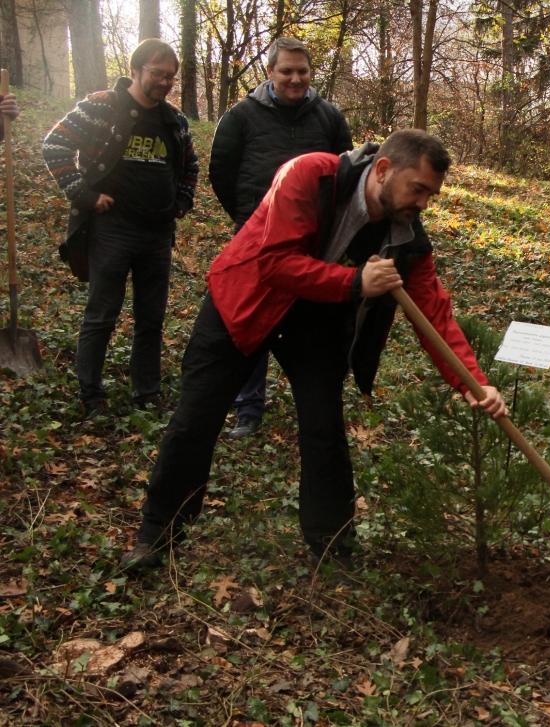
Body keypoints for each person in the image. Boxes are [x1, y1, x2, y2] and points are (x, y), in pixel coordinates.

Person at [119, 130, 508, 574]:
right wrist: (353, 283)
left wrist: (473, 383)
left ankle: (333, 548)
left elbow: (435, 313)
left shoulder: (405, 238)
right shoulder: (309, 174)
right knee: (196, 419)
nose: (423, 203)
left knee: (323, 427)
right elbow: (274, 262)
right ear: (383, 170)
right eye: (418, 189)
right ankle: (155, 538)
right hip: (246, 301)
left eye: (430, 195)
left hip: (316, 319)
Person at [43, 39, 199, 419]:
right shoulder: (102, 106)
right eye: (156, 73)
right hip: (112, 230)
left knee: (152, 317)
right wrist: (84, 195)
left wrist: (181, 202)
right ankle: (91, 395)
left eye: (170, 77)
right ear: (136, 69)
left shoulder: (174, 120)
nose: (163, 82)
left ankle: (146, 392)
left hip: (157, 233)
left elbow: (190, 165)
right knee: (102, 313)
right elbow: (55, 144)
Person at [209, 37, 354, 439]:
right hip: (255, 240)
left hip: (313, 245)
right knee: (254, 319)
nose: (295, 79)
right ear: (269, 72)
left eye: (302, 71)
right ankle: (248, 407)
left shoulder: (328, 117)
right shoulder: (241, 116)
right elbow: (221, 173)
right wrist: (249, 219)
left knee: (308, 325)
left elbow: (346, 176)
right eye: (286, 71)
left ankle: (314, 404)